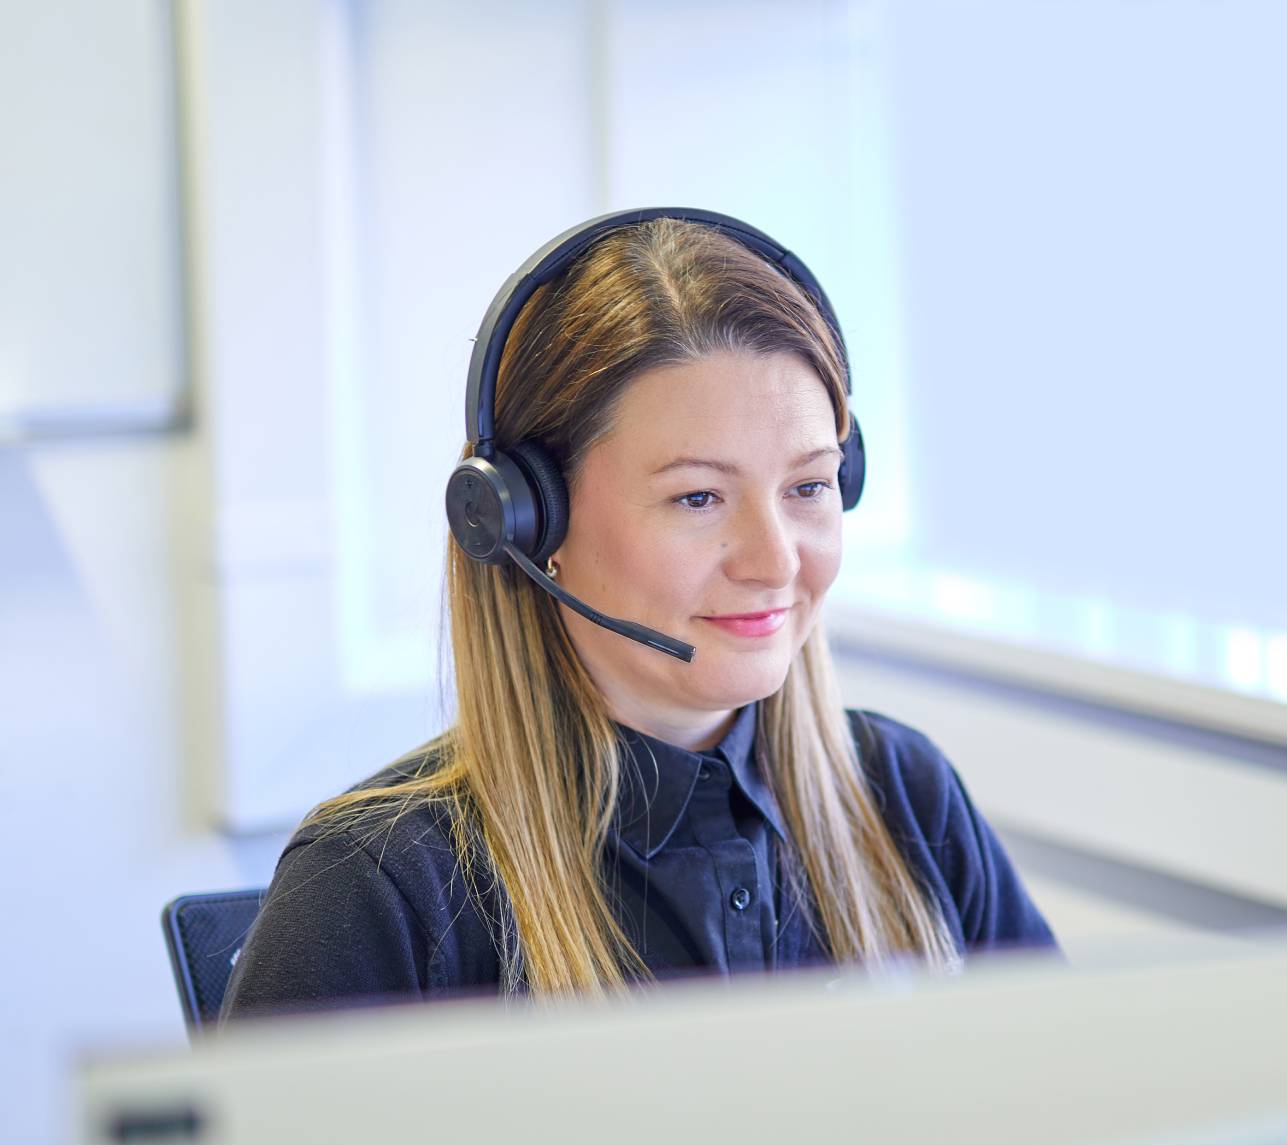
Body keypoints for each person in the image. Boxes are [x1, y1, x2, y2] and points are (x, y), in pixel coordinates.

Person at [221, 211, 1057, 1018]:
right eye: (698, 497)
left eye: (808, 487)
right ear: (525, 521)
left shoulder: (903, 798)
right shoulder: (376, 893)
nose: (774, 560)